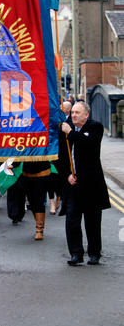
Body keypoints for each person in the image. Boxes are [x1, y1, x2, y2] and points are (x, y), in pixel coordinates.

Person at [61, 102, 111, 266]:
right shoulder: (66, 129)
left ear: (86, 115)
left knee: (92, 221)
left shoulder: (95, 127)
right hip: (73, 184)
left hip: (91, 184)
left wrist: (70, 133)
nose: (73, 115)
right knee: (72, 220)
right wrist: (68, 174)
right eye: (72, 112)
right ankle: (76, 253)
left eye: (77, 112)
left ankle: (94, 253)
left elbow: (89, 144)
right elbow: (62, 156)